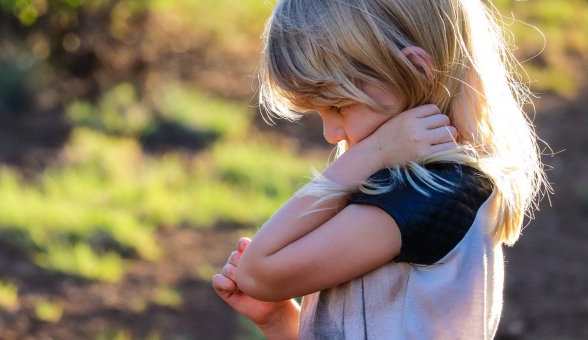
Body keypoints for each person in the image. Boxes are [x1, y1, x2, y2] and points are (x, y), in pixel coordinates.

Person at [212, 0, 548, 339]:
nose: (331, 133)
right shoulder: (414, 185)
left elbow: (258, 272)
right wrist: (279, 319)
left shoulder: (428, 193)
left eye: (339, 106)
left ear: (416, 68)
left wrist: (369, 154)